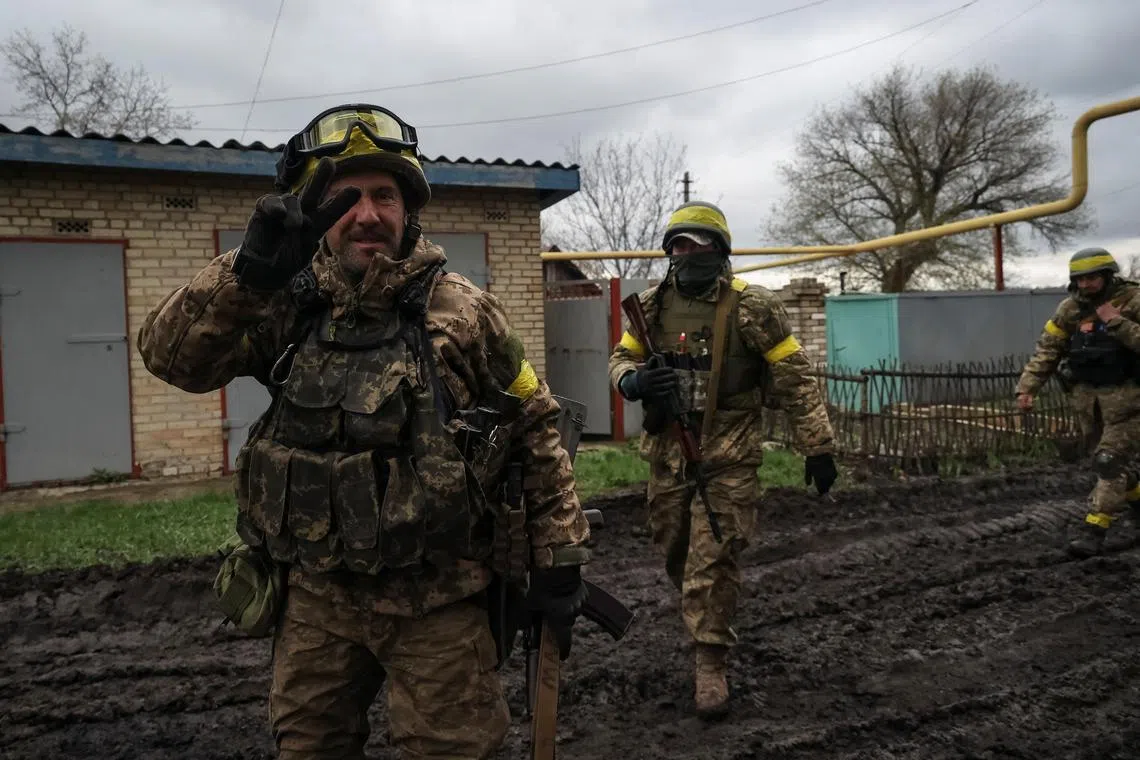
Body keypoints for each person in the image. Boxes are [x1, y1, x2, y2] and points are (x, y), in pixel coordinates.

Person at [137, 103, 591, 760]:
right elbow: (171, 358)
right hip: (315, 602)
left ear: (409, 208)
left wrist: (562, 557)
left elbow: (536, 421)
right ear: (314, 208)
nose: (367, 213)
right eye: (344, 197)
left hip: (437, 605)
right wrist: (247, 276)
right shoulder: (282, 302)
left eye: (385, 194)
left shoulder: (463, 311)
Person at [606, 200, 837, 719]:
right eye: (679, 245)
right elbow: (621, 359)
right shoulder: (651, 306)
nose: (688, 253)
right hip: (668, 456)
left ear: (720, 252)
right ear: (669, 252)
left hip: (729, 457)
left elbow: (796, 379)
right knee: (676, 552)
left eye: (699, 244)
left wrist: (817, 447)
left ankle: (710, 661)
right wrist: (636, 381)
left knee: (713, 560)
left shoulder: (753, 308)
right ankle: (701, 613)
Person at [1016, 246, 1140, 558]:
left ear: (1108, 275)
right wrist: (1028, 387)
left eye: (1092, 278)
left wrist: (1118, 322)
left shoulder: (1133, 301)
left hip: (1131, 402)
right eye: (1080, 279)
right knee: (1113, 465)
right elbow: (1048, 349)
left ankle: (1094, 531)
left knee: (1108, 462)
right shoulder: (1070, 309)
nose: (1085, 285)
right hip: (1090, 404)